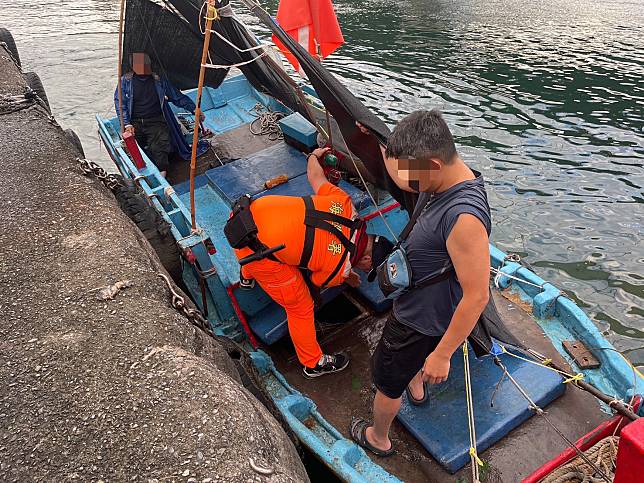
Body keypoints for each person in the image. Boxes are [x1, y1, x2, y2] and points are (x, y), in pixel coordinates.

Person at [350, 109, 491, 456]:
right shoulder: (447, 174)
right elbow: (401, 176)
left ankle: (377, 437)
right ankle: (416, 384)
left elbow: (477, 296)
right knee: (413, 361)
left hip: (417, 319)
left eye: (413, 178)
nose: (408, 185)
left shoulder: (464, 220)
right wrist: (371, 140)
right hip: (426, 307)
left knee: (386, 382)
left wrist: (444, 355)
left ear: (432, 165)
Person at [231, 146, 394, 379]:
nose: (366, 269)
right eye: (369, 268)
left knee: (287, 242)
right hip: (250, 245)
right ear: (366, 258)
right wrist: (345, 275)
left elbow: (315, 176)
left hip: (248, 213)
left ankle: (247, 276)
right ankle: (313, 363)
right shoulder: (339, 268)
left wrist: (314, 156)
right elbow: (316, 279)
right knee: (300, 305)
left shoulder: (343, 204)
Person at [114, 52, 204, 177]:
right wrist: (127, 123)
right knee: (133, 149)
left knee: (159, 148)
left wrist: (194, 109)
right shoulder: (125, 81)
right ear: (133, 67)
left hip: (155, 119)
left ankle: (163, 174)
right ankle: (141, 173)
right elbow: (120, 103)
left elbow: (177, 97)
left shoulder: (159, 80)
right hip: (134, 122)